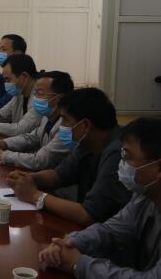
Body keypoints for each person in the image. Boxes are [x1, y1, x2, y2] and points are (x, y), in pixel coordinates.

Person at [38, 117, 161, 278]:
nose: (122, 163)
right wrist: (69, 243)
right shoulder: (144, 197)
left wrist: (79, 264)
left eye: (128, 157)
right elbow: (110, 230)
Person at [6, 88, 131, 226]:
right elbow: (57, 175)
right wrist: (28, 178)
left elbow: (88, 214)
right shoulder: (87, 142)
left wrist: (34, 195)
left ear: (85, 125)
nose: (61, 126)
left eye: (65, 119)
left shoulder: (120, 153)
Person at [0, 71, 74, 170]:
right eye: (35, 93)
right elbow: (31, 138)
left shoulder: (68, 126)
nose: (35, 98)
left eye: (40, 93)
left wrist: (1, 155)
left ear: (58, 99)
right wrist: (3, 143)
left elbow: (40, 160)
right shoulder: (48, 116)